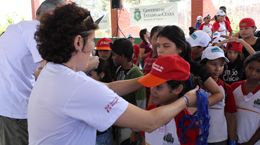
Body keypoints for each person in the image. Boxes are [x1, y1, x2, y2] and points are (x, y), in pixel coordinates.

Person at [27, 3, 199, 145]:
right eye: (92, 43)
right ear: (78, 42)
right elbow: (150, 122)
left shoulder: (53, 72)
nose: (92, 51)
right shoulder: (76, 87)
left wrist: (149, 78)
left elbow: (109, 87)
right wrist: (186, 100)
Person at [0, 0, 67, 144]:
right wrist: (86, 65)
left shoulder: (18, 28)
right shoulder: (36, 29)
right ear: (51, 15)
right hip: (15, 107)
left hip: (10, 104)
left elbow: (37, 71)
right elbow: (53, 70)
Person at [155, 25, 224, 112]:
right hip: (162, 118)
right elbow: (153, 98)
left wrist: (194, 108)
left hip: (185, 122)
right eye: (158, 46)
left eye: (166, 46)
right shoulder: (158, 67)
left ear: (180, 48)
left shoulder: (194, 68)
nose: (159, 50)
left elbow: (219, 94)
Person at [140, 55, 202, 145]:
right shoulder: (149, 111)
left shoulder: (187, 123)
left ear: (177, 89)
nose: (152, 90)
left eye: (158, 86)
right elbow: (144, 140)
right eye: (151, 84)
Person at [111, 38, 146, 144]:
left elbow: (141, 103)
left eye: (114, 55)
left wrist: (135, 131)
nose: (112, 58)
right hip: (119, 125)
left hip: (130, 128)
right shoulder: (119, 70)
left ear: (122, 56)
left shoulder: (137, 75)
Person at [200, 46, 237, 145]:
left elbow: (230, 116)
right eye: (213, 64)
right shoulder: (196, 87)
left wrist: (232, 139)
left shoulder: (226, 88)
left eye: (221, 65)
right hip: (198, 137)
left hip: (220, 139)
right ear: (203, 65)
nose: (218, 69)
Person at [231, 52, 260, 145]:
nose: (252, 73)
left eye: (258, 71)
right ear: (246, 66)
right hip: (233, 140)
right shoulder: (234, 87)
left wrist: (250, 143)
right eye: (250, 68)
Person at [86, 58, 113, 144]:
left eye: (90, 74)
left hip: (99, 137)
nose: (86, 77)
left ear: (101, 74)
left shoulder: (104, 93)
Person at [142, 26, 163, 106]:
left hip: (155, 99)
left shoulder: (161, 59)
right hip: (145, 95)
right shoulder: (148, 56)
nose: (158, 42)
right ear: (150, 39)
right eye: (156, 38)